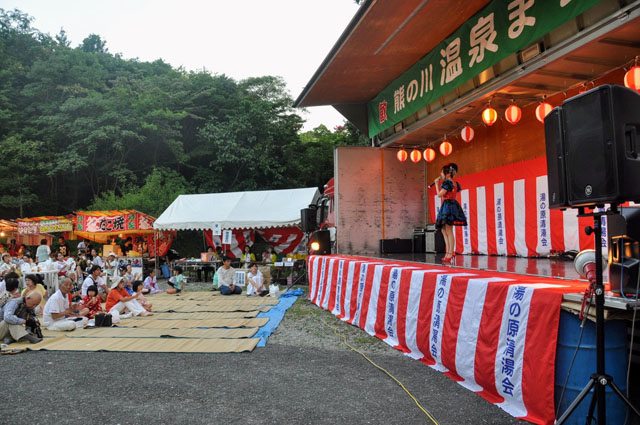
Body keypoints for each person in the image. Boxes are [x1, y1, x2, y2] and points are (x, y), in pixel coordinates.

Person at [434, 163, 468, 263]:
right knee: (444, 230)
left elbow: (440, 195)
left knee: (448, 230)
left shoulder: (447, 182)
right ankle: (448, 251)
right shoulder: (454, 183)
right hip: (450, 205)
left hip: (448, 206)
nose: (441, 174)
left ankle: (450, 252)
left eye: (442, 172)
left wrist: (436, 184)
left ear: (448, 174)